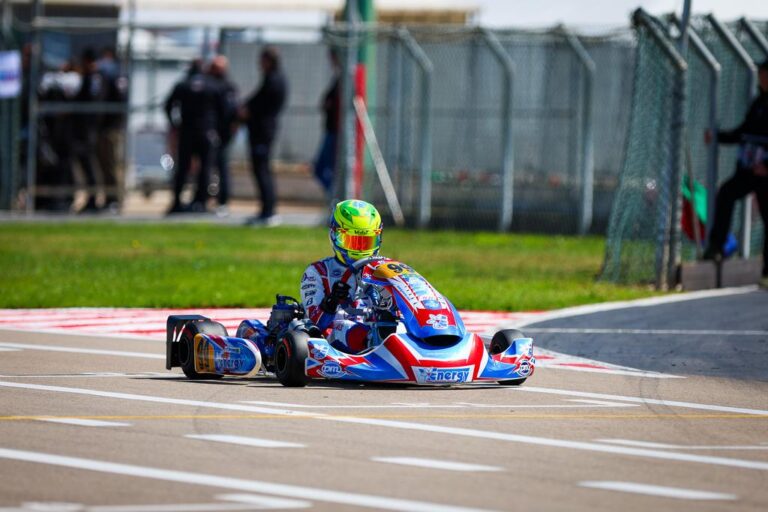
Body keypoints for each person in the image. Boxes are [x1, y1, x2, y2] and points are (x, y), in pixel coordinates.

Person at [703, 59, 768, 286]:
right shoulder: (759, 103)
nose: (762, 77)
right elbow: (743, 133)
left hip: (765, 173)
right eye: (761, 73)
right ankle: (717, 246)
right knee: (726, 194)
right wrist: (718, 136)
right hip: (749, 170)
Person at [300, 199, 384, 354]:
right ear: (335, 235)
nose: (359, 250)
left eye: (365, 242)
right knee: (349, 330)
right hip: (332, 339)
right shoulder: (318, 272)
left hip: (378, 329)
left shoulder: (383, 271)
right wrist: (331, 302)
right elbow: (315, 324)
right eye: (353, 241)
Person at [164, 59, 225, 214]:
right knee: (205, 168)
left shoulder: (183, 85)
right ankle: (201, 202)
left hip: (187, 131)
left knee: (182, 167)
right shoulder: (212, 85)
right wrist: (217, 127)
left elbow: (168, 105)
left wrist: (175, 124)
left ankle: (177, 201)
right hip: (207, 132)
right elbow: (224, 108)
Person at [242, 47, 287, 225]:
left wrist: (247, 111)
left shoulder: (274, 80)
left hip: (263, 131)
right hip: (263, 130)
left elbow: (259, 103)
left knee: (262, 169)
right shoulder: (272, 79)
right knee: (261, 169)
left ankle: (268, 211)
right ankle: (265, 209)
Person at [96, 46, 128, 212]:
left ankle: (115, 199)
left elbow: (119, 100)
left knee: (113, 164)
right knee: (105, 165)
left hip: (113, 128)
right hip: (105, 128)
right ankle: (109, 198)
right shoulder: (107, 75)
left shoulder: (116, 75)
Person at [72, 48, 103, 213]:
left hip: (88, 128)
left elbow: (91, 100)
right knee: (85, 165)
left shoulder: (94, 78)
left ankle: (93, 199)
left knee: (89, 164)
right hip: (85, 128)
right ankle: (91, 198)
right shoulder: (89, 78)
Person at [208, 55, 239, 216]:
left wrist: (229, 129)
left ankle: (223, 201)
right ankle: (203, 199)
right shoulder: (209, 84)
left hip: (222, 133)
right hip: (208, 132)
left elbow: (232, 112)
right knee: (207, 167)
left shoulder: (227, 87)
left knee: (221, 166)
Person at [313, 48, 341, 198]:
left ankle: (335, 199)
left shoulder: (345, 77)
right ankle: (333, 198)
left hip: (337, 131)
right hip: (331, 129)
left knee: (325, 168)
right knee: (320, 168)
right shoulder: (337, 77)